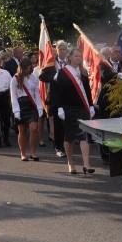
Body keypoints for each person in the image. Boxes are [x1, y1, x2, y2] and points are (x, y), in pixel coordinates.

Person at [42, 47, 95, 175]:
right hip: (67, 108)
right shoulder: (63, 72)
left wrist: (91, 106)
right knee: (69, 137)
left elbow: (87, 91)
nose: (79, 58)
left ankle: (86, 165)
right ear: (70, 57)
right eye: (76, 56)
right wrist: (59, 107)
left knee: (83, 135)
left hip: (82, 107)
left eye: (80, 56)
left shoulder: (83, 72)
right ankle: (71, 164)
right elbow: (58, 92)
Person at [10, 56, 43, 161]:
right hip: (20, 105)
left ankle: (33, 152)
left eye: (29, 67)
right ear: (21, 68)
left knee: (34, 129)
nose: (28, 70)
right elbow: (13, 96)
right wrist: (16, 111)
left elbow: (37, 93)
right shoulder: (15, 79)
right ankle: (23, 153)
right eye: (26, 68)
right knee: (22, 131)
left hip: (31, 105)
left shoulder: (33, 77)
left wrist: (39, 107)